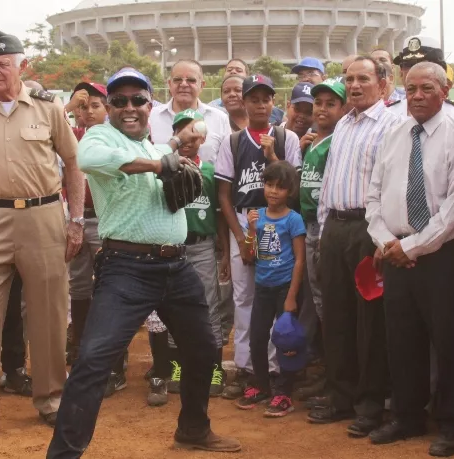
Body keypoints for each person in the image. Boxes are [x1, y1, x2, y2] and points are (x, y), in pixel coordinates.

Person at [47, 66, 240, 458]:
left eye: (138, 100)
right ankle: (64, 453)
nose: (129, 107)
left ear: (150, 106)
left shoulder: (153, 145)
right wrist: (160, 165)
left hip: (177, 266)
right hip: (126, 267)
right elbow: (89, 158)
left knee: (203, 348)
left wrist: (175, 148)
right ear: (110, 107)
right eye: (119, 101)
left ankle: (193, 430)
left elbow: (161, 154)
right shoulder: (101, 136)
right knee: (94, 359)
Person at [0, 28, 83, 443]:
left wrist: (75, 219)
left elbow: (73, 166)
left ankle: (51, 400)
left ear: (22, 65)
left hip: (43, 216)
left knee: (47, 314)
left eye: (3, 64)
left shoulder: (48, 108)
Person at [365, 62, 454, 456]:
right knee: (401, 339)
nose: (416, 95)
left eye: (426, 88)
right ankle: (407, 415)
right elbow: (374, 196)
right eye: (410, 87)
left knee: (449, 341)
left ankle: (452, 423)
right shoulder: (394, 133)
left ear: (445, 90)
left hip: (444, 255)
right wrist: (386, 242)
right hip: (396, 253)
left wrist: (412, 247)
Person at [308, 57, 401, 437]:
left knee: (370, 322)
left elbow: (391, 183)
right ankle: (341, 395)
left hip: (368, 228)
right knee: (337, 316)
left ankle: (370, 404)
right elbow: (330, 179)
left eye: (363, 78)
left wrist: (383, 234)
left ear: (383, 83)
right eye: (350, 79)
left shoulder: (393, 123)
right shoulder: (343, 124)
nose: (355, 85)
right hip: (335, 228)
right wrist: (324, 223)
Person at [215, 74, 303, 400]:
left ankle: (277, 367)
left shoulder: (286, 137)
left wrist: (273, 159)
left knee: (275, 294)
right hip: (245, 217)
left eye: (266, 98)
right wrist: (238, 238)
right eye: (254, 98)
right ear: (244, 102)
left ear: (273, 102)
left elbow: (293, 188)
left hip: (278, 221)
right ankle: (246, 367)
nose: (261, 104)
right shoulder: (233, 141)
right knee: (244, 297)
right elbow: (223, 194)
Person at [162, 109, 230, 401]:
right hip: (173, 247)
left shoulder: (210, 172)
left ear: (202, 137)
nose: (187, 137)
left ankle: (214, 368)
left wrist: (226, 252)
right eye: (181, 131)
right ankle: (177, 367)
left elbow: (220, 215)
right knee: (172, 308)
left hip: (203, 246)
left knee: (209, 306)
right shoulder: (164, 168)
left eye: (192, 131)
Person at [235, 161, 305, 418]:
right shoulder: (257, 216)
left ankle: (284, 391)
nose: (273, 191)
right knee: (257, 337)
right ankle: (262, 385)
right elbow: (247, 255)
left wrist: (291, 296)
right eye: (269, 185)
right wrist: (252, 229)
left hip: (284, 287)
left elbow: (300, 259)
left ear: (290, 192)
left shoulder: (294, 219)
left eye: (280, 187)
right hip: (263, 287)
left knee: (287, 340)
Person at [297, 78, 345, 365]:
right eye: (318, 103)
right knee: (317, 299)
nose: (322, 109)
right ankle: (326, 368)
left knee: (327, 301)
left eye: (331, 104)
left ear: (343, 108)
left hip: (325, 226)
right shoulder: (314, 141)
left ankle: (335, 369)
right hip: (308, 226)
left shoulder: (338, 141)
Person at [67, 81, 107, 366]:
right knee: (79, 284)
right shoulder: (71, 135)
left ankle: (110, 351)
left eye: (95, 105)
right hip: (76, 218)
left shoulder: (114, 137)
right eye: (83, 107)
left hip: (107, 219)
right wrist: (67, 108)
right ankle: (79, 343)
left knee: (108, 284)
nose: (89, 112)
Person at [149, 59, 230, 164]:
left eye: (191, 80)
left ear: (202, 85)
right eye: (177, 79)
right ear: (169, 84)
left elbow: (227, 164)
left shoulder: (219, 118)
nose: (183, 84)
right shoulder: (151, 117)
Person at [389, 36, 454, 128]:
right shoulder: (389, 114)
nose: (414, 70)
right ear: (401, 72)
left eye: (422, 64)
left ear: (441, 71)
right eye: (408, 65)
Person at [209, 59, 285, 125]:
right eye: (229, 70)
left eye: (238, 70)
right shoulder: (212, 109)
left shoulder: (271, 111)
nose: (233, 72)